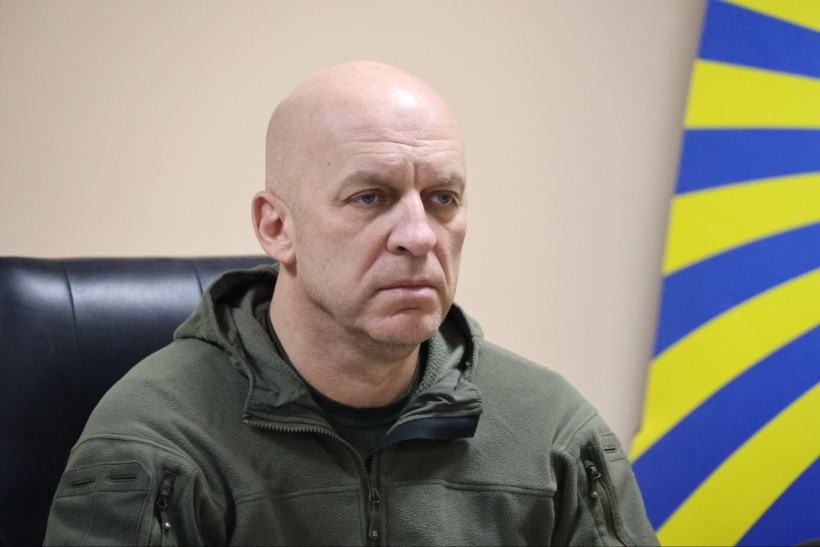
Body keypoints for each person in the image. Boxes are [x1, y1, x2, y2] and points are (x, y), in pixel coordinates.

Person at [44, 61, 658, 545]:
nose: (419, 236)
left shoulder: (552, 432)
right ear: (277, 228)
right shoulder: (155, 441)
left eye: (442, 199)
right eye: (370, 197)